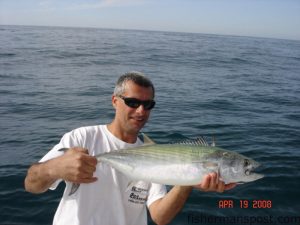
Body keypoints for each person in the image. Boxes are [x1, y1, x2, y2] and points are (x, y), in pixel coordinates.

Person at [24, 71, 236, 225]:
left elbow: (160, 217)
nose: (141, 111)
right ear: (115, 101)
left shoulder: (156, 154)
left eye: (148, 104)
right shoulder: (83, 137)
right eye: (133, 102)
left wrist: (189, 179)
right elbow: (31, 184)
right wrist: (54, 169)